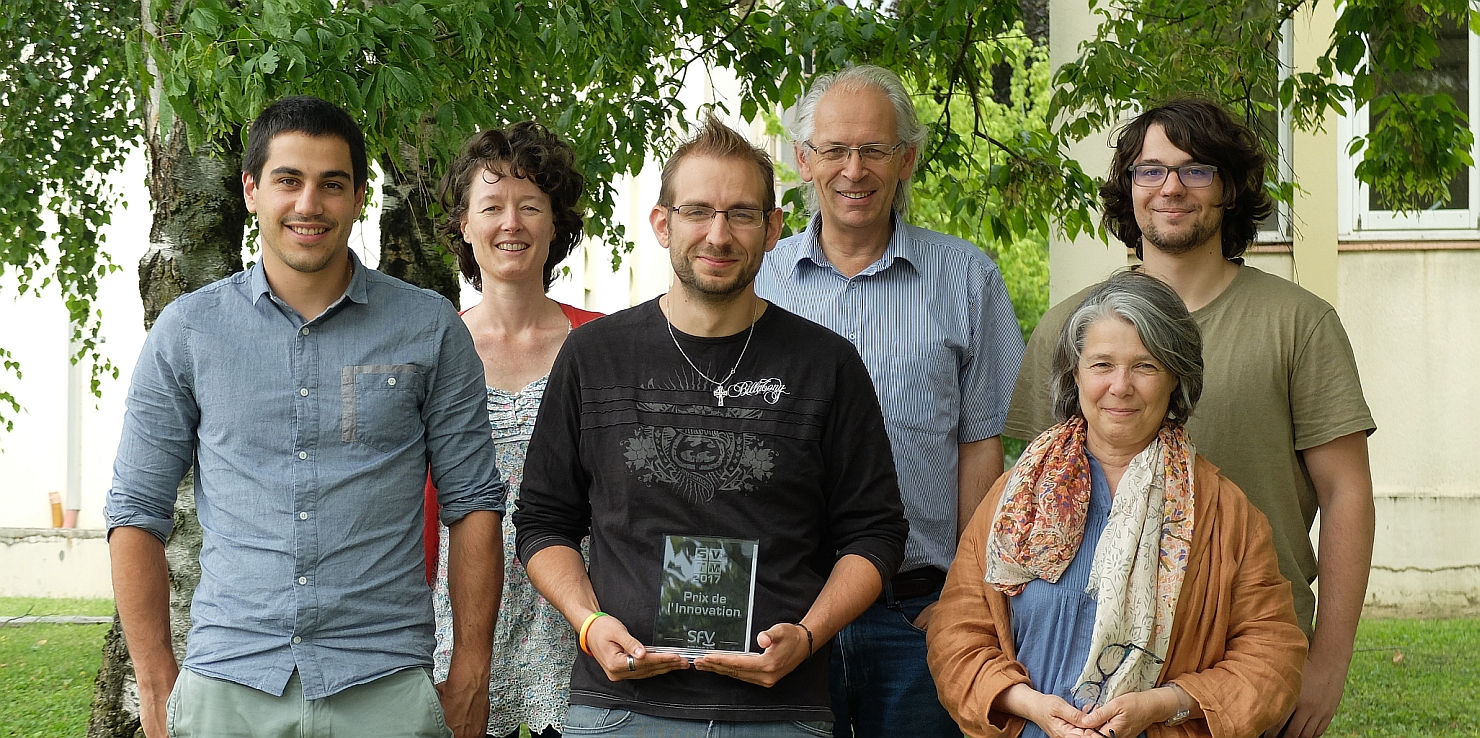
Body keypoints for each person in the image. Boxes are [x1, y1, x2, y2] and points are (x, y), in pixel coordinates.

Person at [104, 95, 505, 738]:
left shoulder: (428, 327)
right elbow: (134, 510)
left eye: (332, 184)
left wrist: (470, 674)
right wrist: (156, 688)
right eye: (287, 180)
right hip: (228, 689)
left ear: (358, 197)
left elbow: (474, 504)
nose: (308, 204)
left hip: (386, 688)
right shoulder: (188, 331)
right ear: (251, 190)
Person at [512, 113, 909, 737]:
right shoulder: (595, 357)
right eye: (697, 211)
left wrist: (806, 638)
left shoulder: (825, 365)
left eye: (742, 214)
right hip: (621, 710)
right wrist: (589, 624)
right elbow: (542, 523)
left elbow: (875, 533)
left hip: (779, 713)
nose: (717, 235)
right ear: (662, 223)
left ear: (773, 228)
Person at [1004, 98, 1376, 738]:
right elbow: (1025, 496)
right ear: (1130, 190)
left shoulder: (1298, 323)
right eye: (1150, 171)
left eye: (1196, 169)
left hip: (1249, 662)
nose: (1171, 187)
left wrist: (1329, 663)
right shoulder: (1071, 327)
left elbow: (1347, 493)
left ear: (1230, 188)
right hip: (1079, 674)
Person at [754, 64, 1023, 738]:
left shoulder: (967, 278)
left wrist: (967, 597)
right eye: (834, 150)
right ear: (802, 159)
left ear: (907, 158)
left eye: (874, 149)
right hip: (780, 610)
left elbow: (982, 442)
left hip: (916, 616)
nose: (853, 170)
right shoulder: (758, 281)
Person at [929, 270, 1307, 738]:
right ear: (1076, 375)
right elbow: (955, 635)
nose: (1121, 386)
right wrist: (1031, 707)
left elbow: (1272, 658)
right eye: (1102, 364)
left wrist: (1163, 704)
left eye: (1145, 366)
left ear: (1176, 379)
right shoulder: (1015, 500)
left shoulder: (1226, 514)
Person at [424, 121, 602, 738]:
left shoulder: (603, 344)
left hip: (574, 612)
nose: (512, 224)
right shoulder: (432, 347)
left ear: (556, 225)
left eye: (531, 206)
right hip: (457, 612)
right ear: (465, 225)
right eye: (491, 206)